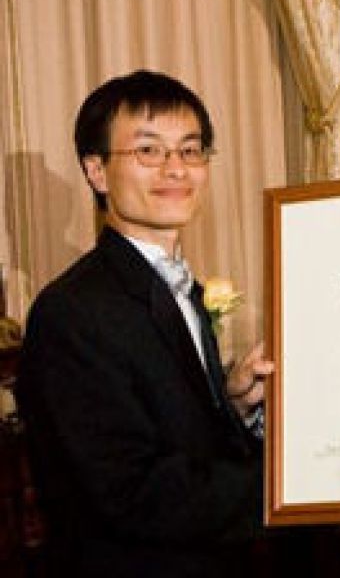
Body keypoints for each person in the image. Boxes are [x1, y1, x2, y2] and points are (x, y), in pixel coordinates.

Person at [16, 70, 273, 577]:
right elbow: (131, 491)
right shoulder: (70, 312)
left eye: (191, 150)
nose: (175, 169)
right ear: (97, 172)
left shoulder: (180, 288)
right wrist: (288, 485)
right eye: (149, 152)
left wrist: (234, 403)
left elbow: (175, 427)